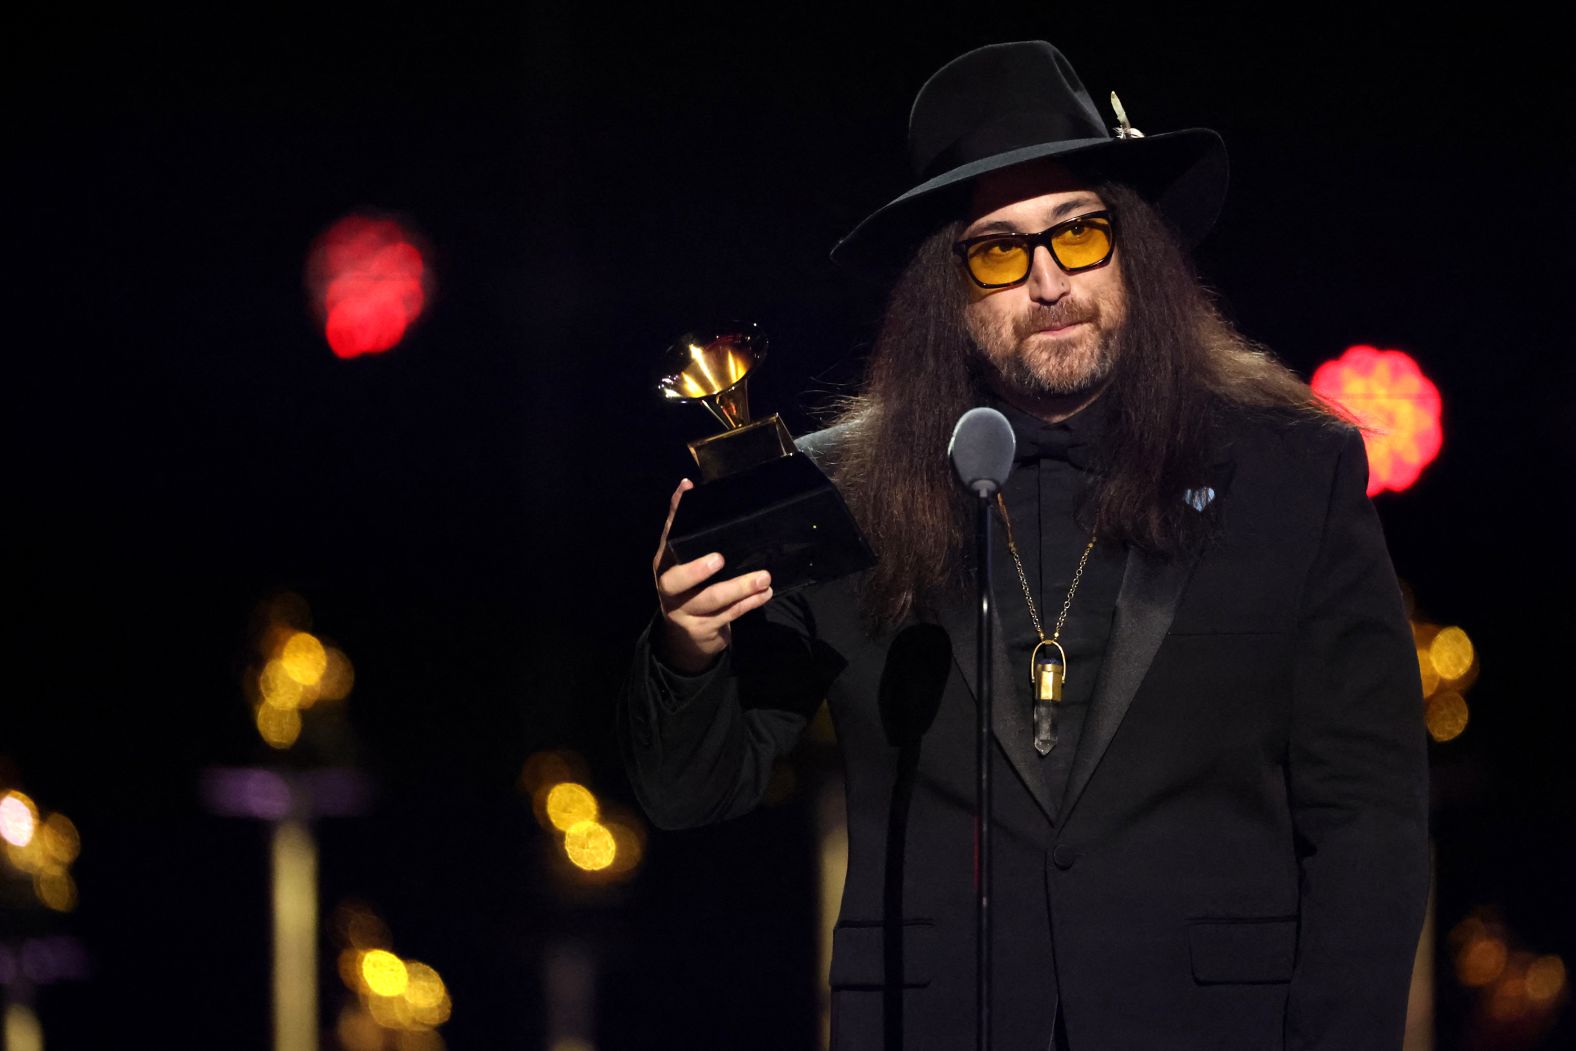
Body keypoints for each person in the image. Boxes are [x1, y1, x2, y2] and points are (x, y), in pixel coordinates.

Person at [619, 40, 1429, 1050]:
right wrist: (688, 651)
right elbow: (696, 792)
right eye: (999, 250)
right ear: (945, 290)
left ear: (1132, 246)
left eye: (1078, 235)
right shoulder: (839, 493)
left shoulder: (1290, 471)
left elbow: (1369, 814)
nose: (1048, 282)